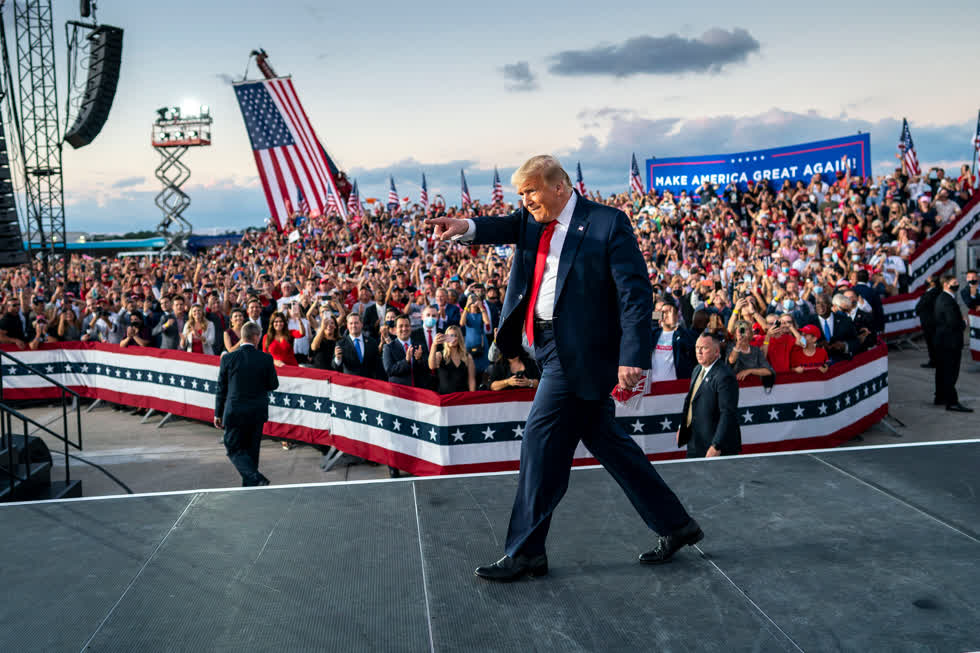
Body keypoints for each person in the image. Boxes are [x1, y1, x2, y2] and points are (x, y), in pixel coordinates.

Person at [428, 154, 700, 582]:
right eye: (521, 194)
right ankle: (676, 525)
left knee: (539, 445)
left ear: (559, 187)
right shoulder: (532, 218)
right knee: (611, 444)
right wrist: (467, 227)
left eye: (531, 191)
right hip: (545, 347)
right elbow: (504, 225)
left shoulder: (607, 223)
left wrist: (633, 355)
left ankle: (526, 552)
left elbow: (635, 295)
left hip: (580, 355)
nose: (526, 201)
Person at [213, 321, 279, 487]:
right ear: (256, 337)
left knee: (233, 447)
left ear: (242, 337)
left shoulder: (228, 358)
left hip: (235, 411)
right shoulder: (265, 358)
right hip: (256, 412)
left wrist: (217, 413)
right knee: (252, 450)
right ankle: (252, 483)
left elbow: (221, 388)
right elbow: (273, 385)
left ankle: (254, 480)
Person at [677, 333, 741, 458]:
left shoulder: (724, 375)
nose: (699, 352)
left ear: (717, 352)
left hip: (714, 447)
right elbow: (691, 401)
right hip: (695, 442)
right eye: (697, 347)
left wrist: (717, 445)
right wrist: (682, 426)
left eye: (704, 348)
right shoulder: (697, 369)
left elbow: (728, 413)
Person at [933, 274, 972, 412]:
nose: (957, 284)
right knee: (950, 372)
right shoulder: (947, 300)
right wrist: (964, 322)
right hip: (949, 342)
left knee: (942, 371)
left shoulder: (943, 298)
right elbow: (952, 322)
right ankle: (952, 402)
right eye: (954, 282)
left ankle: (940, 397)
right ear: (946, 284)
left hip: (943, 340)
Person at [649, 301, 696, 382]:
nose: (666, 314)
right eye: (663, 312)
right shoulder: (654, 334)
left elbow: (690, 347)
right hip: (653, 384)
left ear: (677, 316)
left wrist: (675, 326)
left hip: (676, 386)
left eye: (670, 311)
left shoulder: (684, 334)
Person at [382, 314, 427, 387]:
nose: (404, 329)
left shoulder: (419, 346)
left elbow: (426, 368)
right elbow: (389, 370)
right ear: (395, 329)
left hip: (419, 390)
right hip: (399, 392)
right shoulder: (388, 347)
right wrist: (406, 361)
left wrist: (419, 359)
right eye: (401, 326)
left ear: (411, 328)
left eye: (407, 325)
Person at [428, 325, 476, 393]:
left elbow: (471, 380)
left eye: (455, 336)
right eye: (449, 336)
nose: (452, 338)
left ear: (459, 338)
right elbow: (431, 366)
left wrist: (472, 397)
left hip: (462, 398)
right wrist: (434, 345)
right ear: (445, 338)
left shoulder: (468, 357)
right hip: (445, 398)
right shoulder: (440, 355)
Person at [331, 312, 380, 378]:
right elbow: (335, 366)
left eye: (356, 323)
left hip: (369, 383)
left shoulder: (372, 342)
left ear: (361, 324)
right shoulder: (341, 343)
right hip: (350, 384)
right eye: (351, 323)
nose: (354, 325)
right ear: (347, 326)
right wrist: (338, 359)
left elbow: (377, 365)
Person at [914, 275, 941, 368]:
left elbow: (923, 304)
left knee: (932, 342)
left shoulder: (933, 292)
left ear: (932, 283)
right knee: (931, 342)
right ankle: (935, 360)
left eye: (928, 280)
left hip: (930, 322)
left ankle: (934, 361)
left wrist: (918, 309)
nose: (925, 281)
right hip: (928, 321)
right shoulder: (931, 292)